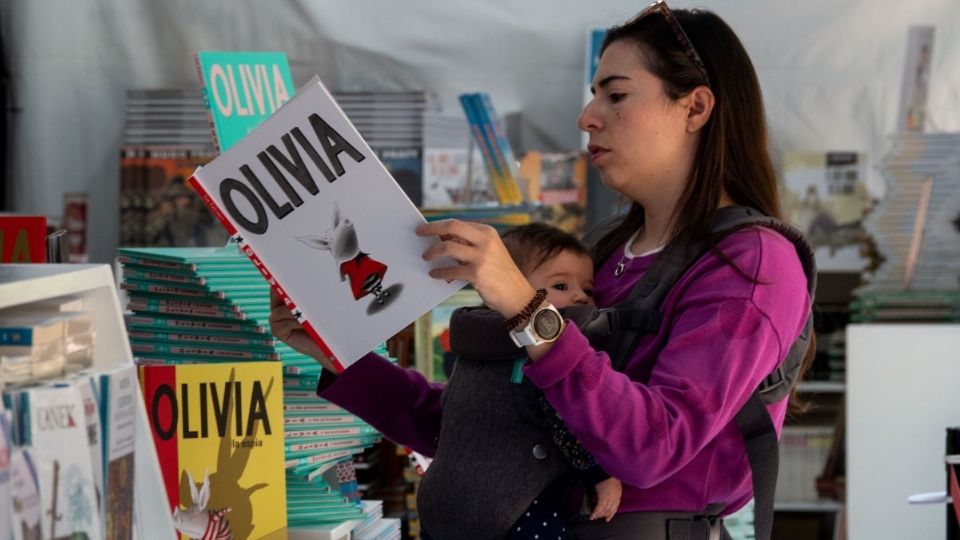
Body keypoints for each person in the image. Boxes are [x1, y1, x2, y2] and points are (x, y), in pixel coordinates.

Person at [270, 2, 815, 539]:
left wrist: (529, 310)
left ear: (695, 108)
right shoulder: (605, 254)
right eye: (593, 94)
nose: (587, 117)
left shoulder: (752, 265)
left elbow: (652, 447)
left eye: (616, 95)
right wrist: (341, 357)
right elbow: (485, 428)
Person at [449, 223, 622, 540]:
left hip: (446, 500)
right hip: (517, 506)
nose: (580, 297)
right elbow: (564, 419)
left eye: (588, 289)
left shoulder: (472, 344)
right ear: (503, 287)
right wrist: (600, 474)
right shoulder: (534, 351)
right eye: (560, 286)